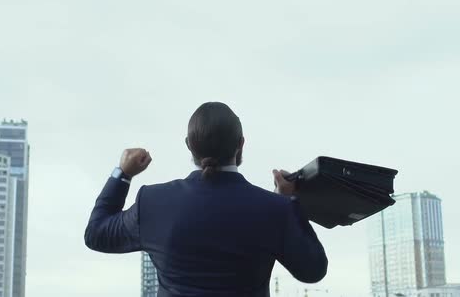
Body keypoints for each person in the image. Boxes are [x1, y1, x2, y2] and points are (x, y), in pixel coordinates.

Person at [84, 102, 328, 297]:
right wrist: (290, 203)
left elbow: (97, 234)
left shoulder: (153, 203)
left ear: (189, 145)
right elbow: (313, 270)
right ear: (240, 145)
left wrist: (123, 174)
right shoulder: (276, 209)